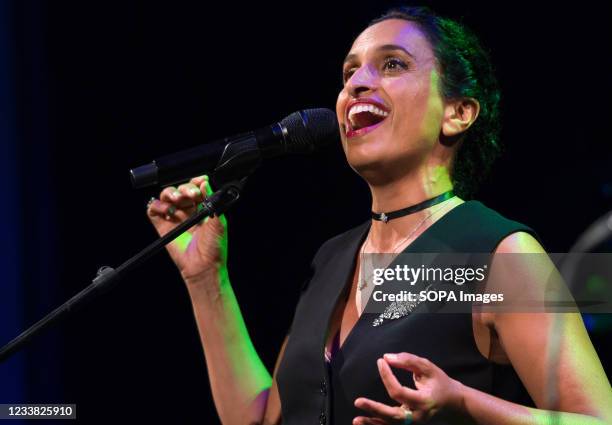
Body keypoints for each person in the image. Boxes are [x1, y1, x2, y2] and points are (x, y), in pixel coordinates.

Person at [146, 6, 612, 425]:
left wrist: (466, 404)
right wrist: (207, 280)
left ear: (458, 112)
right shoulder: (331, 259)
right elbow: (261, 419)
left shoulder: (498, 253)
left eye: (393, 64)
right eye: (349, 73)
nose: (356, 84)